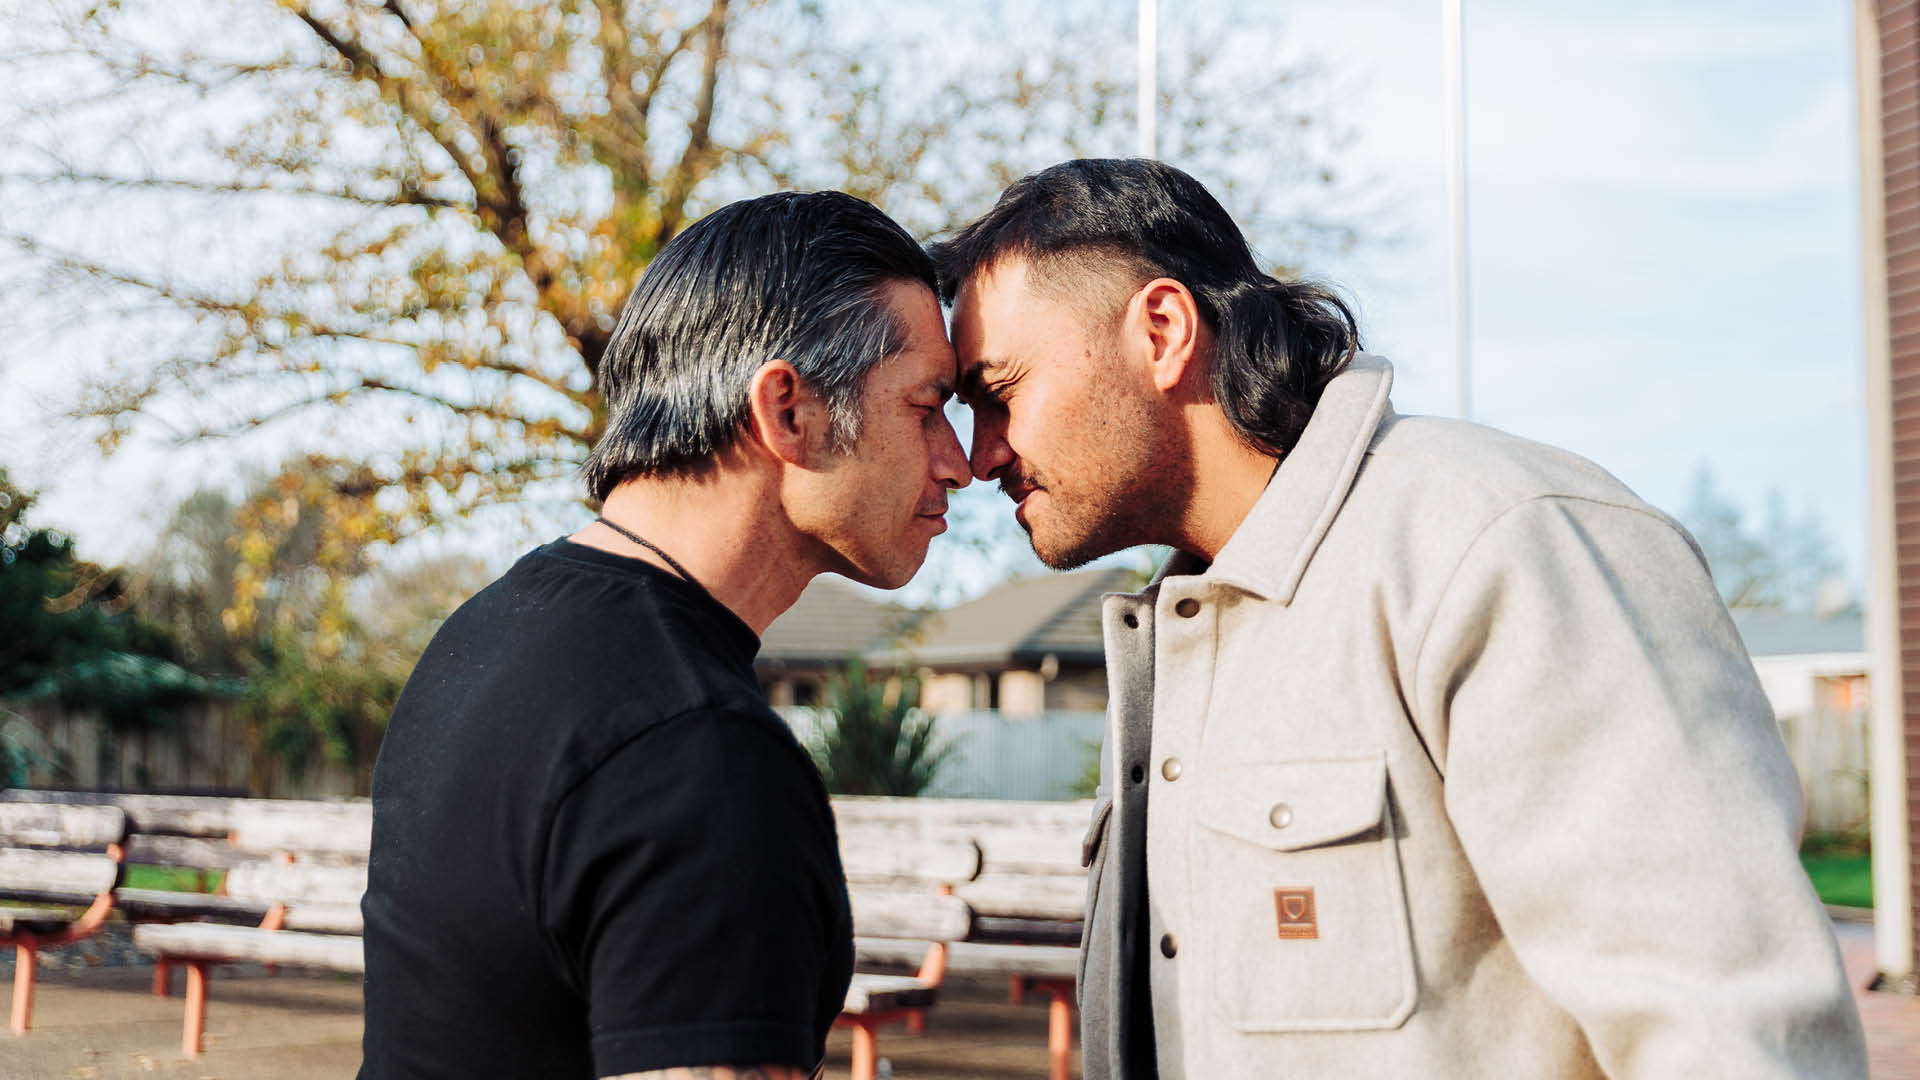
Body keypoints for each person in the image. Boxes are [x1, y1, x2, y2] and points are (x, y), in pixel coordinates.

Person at [932, 158, 1869, 1079]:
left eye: (999, 392)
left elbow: (1732, 1039)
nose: (980, 458)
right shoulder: (1170, 637)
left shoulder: (1501, 543)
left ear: (1165, 330)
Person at [359, 191, 969, 1079]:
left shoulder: (486, 635)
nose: (958, 460)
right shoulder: (698, 752)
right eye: (927, 405)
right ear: (787, 412)